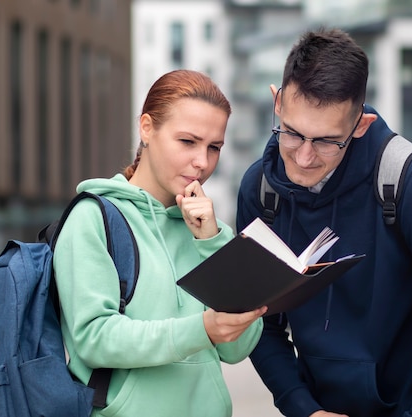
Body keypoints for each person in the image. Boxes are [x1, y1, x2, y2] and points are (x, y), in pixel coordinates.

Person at [236, 28, 412, 417]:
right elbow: (261, 324)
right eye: (292, 134)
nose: (304, 158)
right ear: (277, 103)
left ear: (361, 125)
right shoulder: (261, 190)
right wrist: (302, 407)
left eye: (326, 141)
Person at [54, 69, 266, 417]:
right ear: (147, 128)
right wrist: (202, 329)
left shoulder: (211, 231)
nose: (202, 162)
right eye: (188, 141)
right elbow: (93, 338)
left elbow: (238, 347)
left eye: (214, 147)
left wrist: (212, 242)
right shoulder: (93, 219)